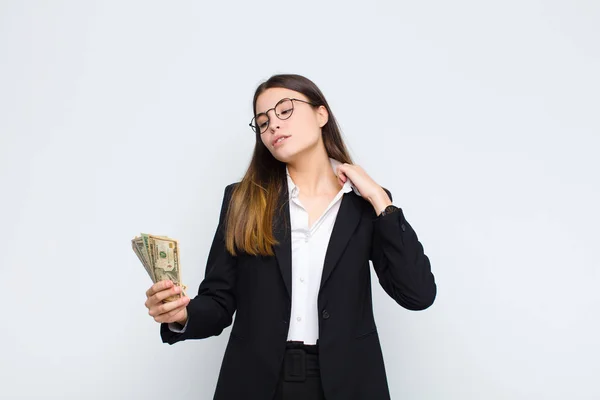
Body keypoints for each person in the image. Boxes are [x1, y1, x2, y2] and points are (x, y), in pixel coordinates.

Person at [144, 73, 437, 400]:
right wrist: (181, 315)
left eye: (285, 110)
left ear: (321, 114)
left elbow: (418, 294)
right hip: (258, 382)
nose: (273, 126)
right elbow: (219, 301)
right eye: (263, 121)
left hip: (349, 381)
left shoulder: (364, 206)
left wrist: (381, 201)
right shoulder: (244, 200)